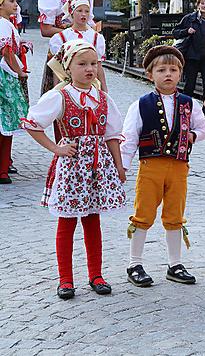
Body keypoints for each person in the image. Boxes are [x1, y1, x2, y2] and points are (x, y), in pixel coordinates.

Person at [23, 40, 126, 299]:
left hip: (97, 167)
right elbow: (33, 123)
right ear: (68, 67)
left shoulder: (103, 99)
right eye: (82, 64)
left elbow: (113, 135)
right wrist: (56, 148)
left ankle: (96, 274)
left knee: (93, 220)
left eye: (93, 64)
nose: (89, 69)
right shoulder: (60, 96)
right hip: (72, 168)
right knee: (66, 223)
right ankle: (65, 278)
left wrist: (118, 166)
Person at [120, 46, 205, 288]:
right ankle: (134, 263)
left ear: (180, 74)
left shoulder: (190, 104)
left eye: (173, 70)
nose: (168, 74)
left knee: (174, 215)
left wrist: (192, 135)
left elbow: (203, 129)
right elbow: (129, 137)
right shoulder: (140, 104)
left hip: (179, 168)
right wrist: (122, 166)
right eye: (161, 70)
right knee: (143, 212)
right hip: (150, 166)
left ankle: (175, 263)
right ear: (150, 75)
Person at [37, 0, 95, 96]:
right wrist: (71, 32)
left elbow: (90, 25)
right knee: (59, 95)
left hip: (83, 53)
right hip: (60, 53)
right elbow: (45, 30)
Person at [173, 0, 205, 122]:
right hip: (192, 56)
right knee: (189, 85)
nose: (204, 5)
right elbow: (175, 33)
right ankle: (184, 111)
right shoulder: (189, 19)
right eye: (202, 3)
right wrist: (187, 31)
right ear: (198, 5)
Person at [48, 0, 108, 92]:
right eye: (79, 11)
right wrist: (56, 89)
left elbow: (99, 65)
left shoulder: (96, 37)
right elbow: (58, 68)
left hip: (90, 86)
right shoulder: (61, 37)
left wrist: (104, 90)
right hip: (68, 87)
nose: (83, 14)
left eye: (87, 11)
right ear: (72, 13)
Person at [0, 0, 28, 184]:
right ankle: (2, 168)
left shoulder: (7, 23)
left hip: (6, 73)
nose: (15, 4)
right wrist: (19, 72)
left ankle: (3, 166)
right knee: (5, 119)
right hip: (4, 76)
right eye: (11, 1)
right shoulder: (3, 24)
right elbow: (7, 52)